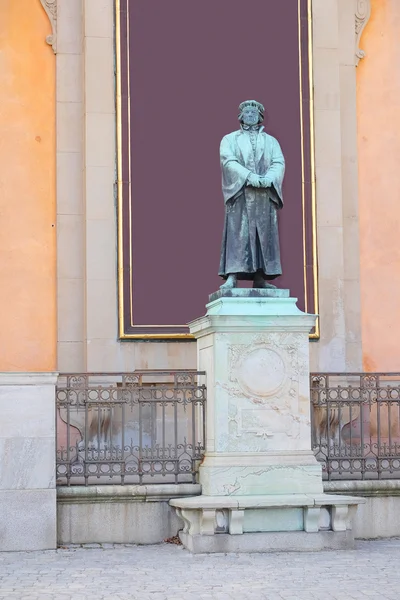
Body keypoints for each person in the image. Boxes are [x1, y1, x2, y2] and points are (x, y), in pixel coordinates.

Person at [219, 100, 285, 289]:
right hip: (241, 193)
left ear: (260, 116)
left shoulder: (271, 142)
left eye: (253, 112)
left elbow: (278, 162)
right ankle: (232, 275)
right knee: (237, 235)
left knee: (263, 236)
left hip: (264, 196)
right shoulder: (229, 139)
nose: (250, 114)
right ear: (241, 116)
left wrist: (269, 178)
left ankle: (260, 277)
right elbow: (228, 161)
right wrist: (249, 176)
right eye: (246, 112)